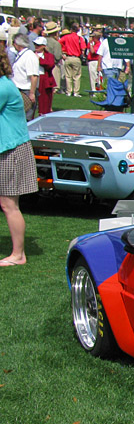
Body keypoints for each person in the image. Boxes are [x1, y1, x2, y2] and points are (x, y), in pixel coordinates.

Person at [0, 51, 38, 266]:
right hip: (6, 148)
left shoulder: (3, 87)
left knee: (9, 204)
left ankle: (18, 255)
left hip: (11, 150)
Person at [10, 34, 39, 120]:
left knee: (25, 118)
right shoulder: (21, 55)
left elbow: (34, 76)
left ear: (17, 44)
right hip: (18, 90)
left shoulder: (29, 56)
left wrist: (32, 93)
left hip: (26, 91)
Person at [60, 23, 85, 97]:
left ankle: (68, 91)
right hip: (76, 57)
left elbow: (59, 42)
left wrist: (63, 52)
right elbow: (83, 48)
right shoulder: (80, 38)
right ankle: (76, 92)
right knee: (76, 76)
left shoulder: (66, 37)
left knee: (68, 76)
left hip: (68, 57)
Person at [33, 36, 56, 116]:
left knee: (45, 102)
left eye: (38, 45)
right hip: (33, 78)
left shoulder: (49, 56)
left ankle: (44, 115)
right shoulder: (31, 54)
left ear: (43, 46)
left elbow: (50, 65)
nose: (36, 46)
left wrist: (39, 59)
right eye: (35, 44)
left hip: (44, 79)